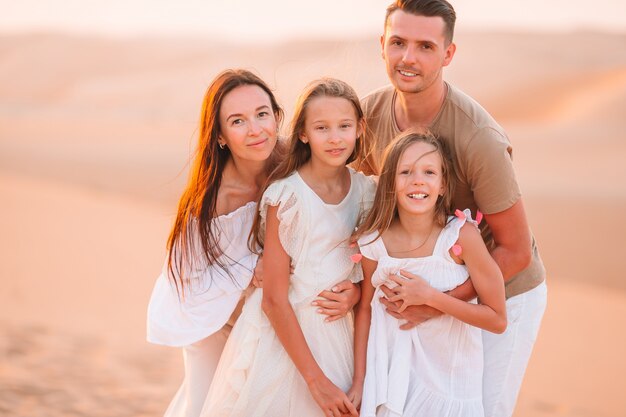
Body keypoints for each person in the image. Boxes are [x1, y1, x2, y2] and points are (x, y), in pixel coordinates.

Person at [360, 1, 548, 416]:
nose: (408, 58)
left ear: (448, 54)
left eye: (425, 46)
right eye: (398, 43)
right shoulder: (366, 116)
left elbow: (514, 250)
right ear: (382, 46)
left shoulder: (478, 139)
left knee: (480, 408)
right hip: (421, 293)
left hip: (500, 291)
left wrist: (440, 303)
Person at [146, 69, 359, 417]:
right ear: (220, 136)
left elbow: (336, 227)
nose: (256, 129)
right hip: (213, 323)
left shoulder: (294, 163)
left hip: (268, 315)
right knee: (206, 406)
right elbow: (190, 287)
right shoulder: (211, 203)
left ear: (277, 116)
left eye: (262, 114)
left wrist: (354, 289)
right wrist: (250, 270)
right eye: (238, 121)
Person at [200, 78, 377, 417]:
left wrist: (355, 291)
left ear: (359, 129)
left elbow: (369, 274)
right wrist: (316, 382)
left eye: (344, 126)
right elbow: (274, 299)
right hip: (284, 339)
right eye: (322, 127)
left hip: (340, 334)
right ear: (303, 134)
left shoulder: (366, 192)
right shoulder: (287, 198)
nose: (336, 137)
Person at [349, 131, 506, 416]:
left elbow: (497, 319)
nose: (417, 180)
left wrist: (431, 298)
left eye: (429, 172)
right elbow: (365, 312)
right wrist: (360, 381)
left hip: (451, 388)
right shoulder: (374, 243)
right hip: (393, 387)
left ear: (443, 184)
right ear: (389, 183)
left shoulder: (460, 237)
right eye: (405, 172)